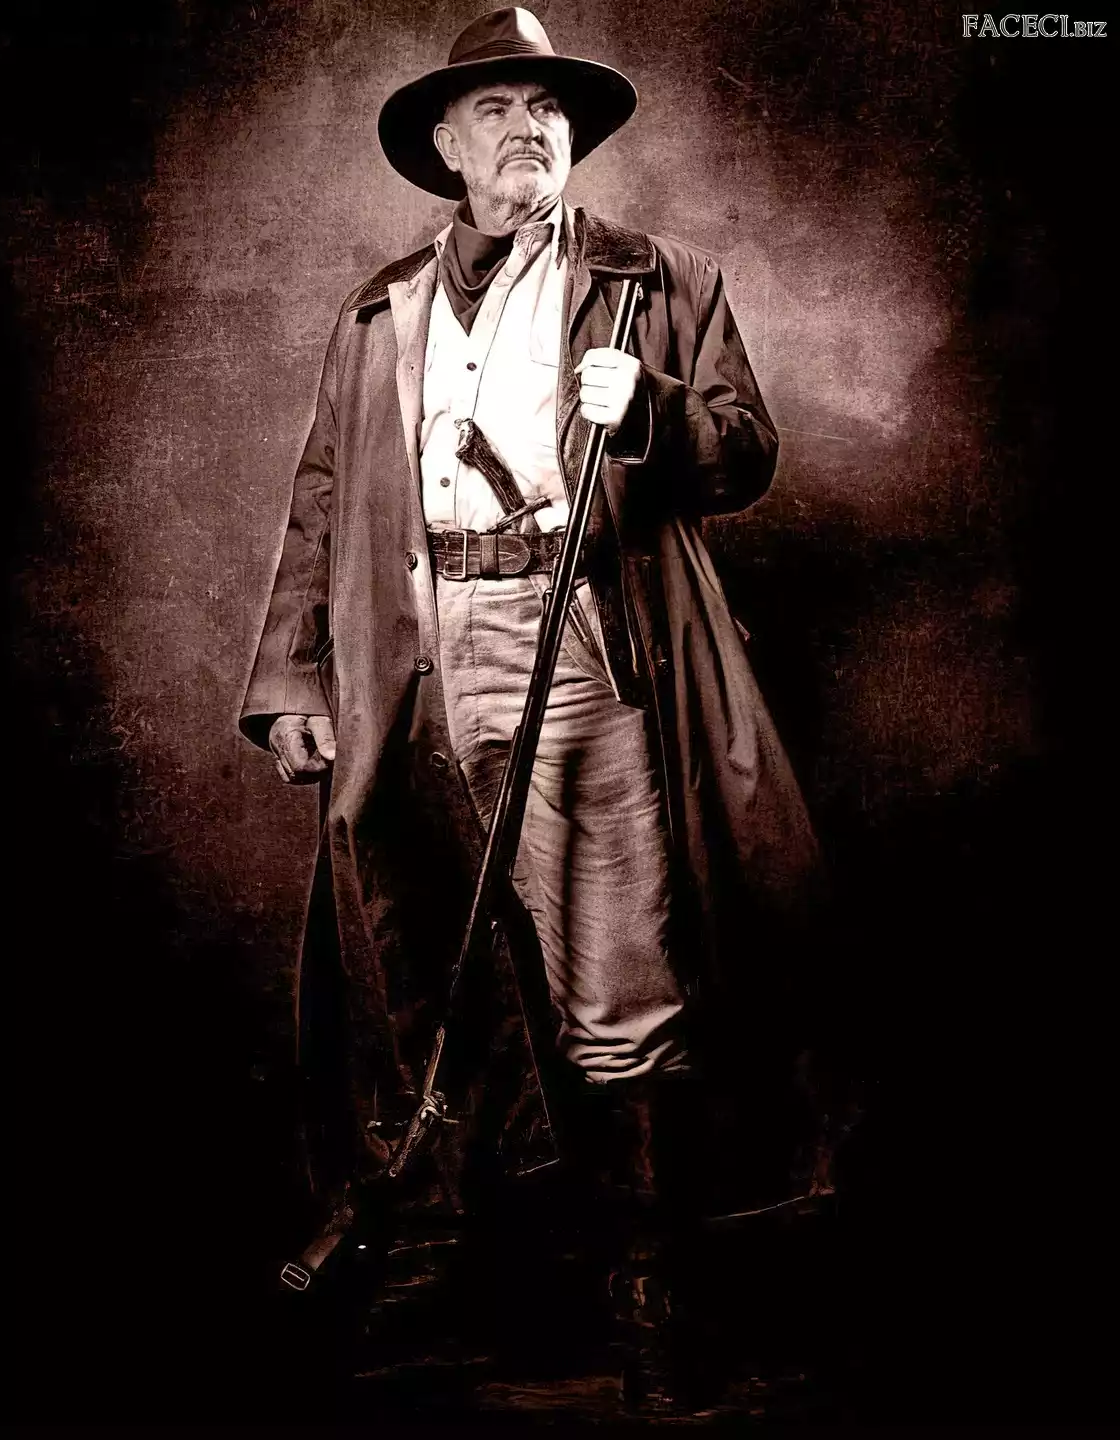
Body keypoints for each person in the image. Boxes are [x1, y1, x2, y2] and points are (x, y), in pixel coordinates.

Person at [238, 6, 824, 1409]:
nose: (527, 130)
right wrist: (293, 673)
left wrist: (656, 409)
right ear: (446, 145)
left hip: (580, 645)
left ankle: (649, 1290)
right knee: (439, 964)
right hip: (412, 656)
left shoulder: (658, 278)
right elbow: (325, 495)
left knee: (619, 969)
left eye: (548, 109)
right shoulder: (379, 308)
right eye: (495, 109)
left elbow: (745, 453)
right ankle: (478, 1279)